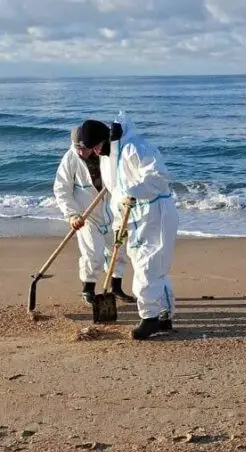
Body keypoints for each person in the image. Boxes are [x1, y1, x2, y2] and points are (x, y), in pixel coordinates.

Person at [80, 112, 179, 340]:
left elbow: (158, 177)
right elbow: (116, 195)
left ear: (105, 138)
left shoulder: (136, 147)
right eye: (92, 149)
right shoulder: (107, 158)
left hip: (155, 214)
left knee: (148, 267)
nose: (95, 152)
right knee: (153, 268)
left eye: (95, 146)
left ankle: (150, 319)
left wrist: (133, 191)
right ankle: (164, 316)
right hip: (132, 219)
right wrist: (118, 226)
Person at [54, 127, 135, 305]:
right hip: (87, 216)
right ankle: (88, 289)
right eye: (78, 148)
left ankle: (116, 287)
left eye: (84, 148)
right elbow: (62, 190)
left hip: (114, 213)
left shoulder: (106, 153)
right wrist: (72, 215)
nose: (81, 152)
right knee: (93, 254)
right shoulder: (71, 159)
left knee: (118, 250)